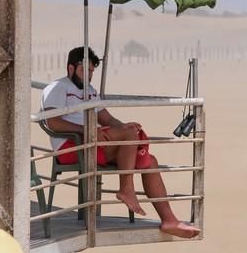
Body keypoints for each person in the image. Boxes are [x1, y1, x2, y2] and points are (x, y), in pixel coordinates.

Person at [41, 46, 200, 239]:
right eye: (85, 70)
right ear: (71, 68)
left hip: (93, 143)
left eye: (92, 71)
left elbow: (107, 119)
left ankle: (169, 220)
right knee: (129, 137)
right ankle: (126, 189)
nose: (89, 75)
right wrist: (86, 131)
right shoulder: (59, 87)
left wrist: (124, 126)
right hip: (71, 146)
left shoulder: (90, 91)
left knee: (149, 159)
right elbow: (52, 121)